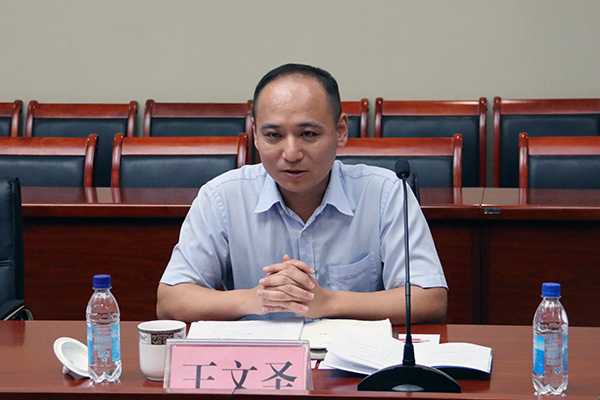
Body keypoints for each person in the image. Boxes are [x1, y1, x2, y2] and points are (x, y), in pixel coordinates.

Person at [157, 63, 447, 325]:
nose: (291, 153)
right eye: (274, 136)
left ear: (341, 130)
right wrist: (257, 298)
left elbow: (430, 299)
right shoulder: (222, 197)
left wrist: (328, 302)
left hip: (351, 362)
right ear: (255, 134)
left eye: (308, 134)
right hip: (258, 361)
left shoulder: (385, 193)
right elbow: (170, 300)